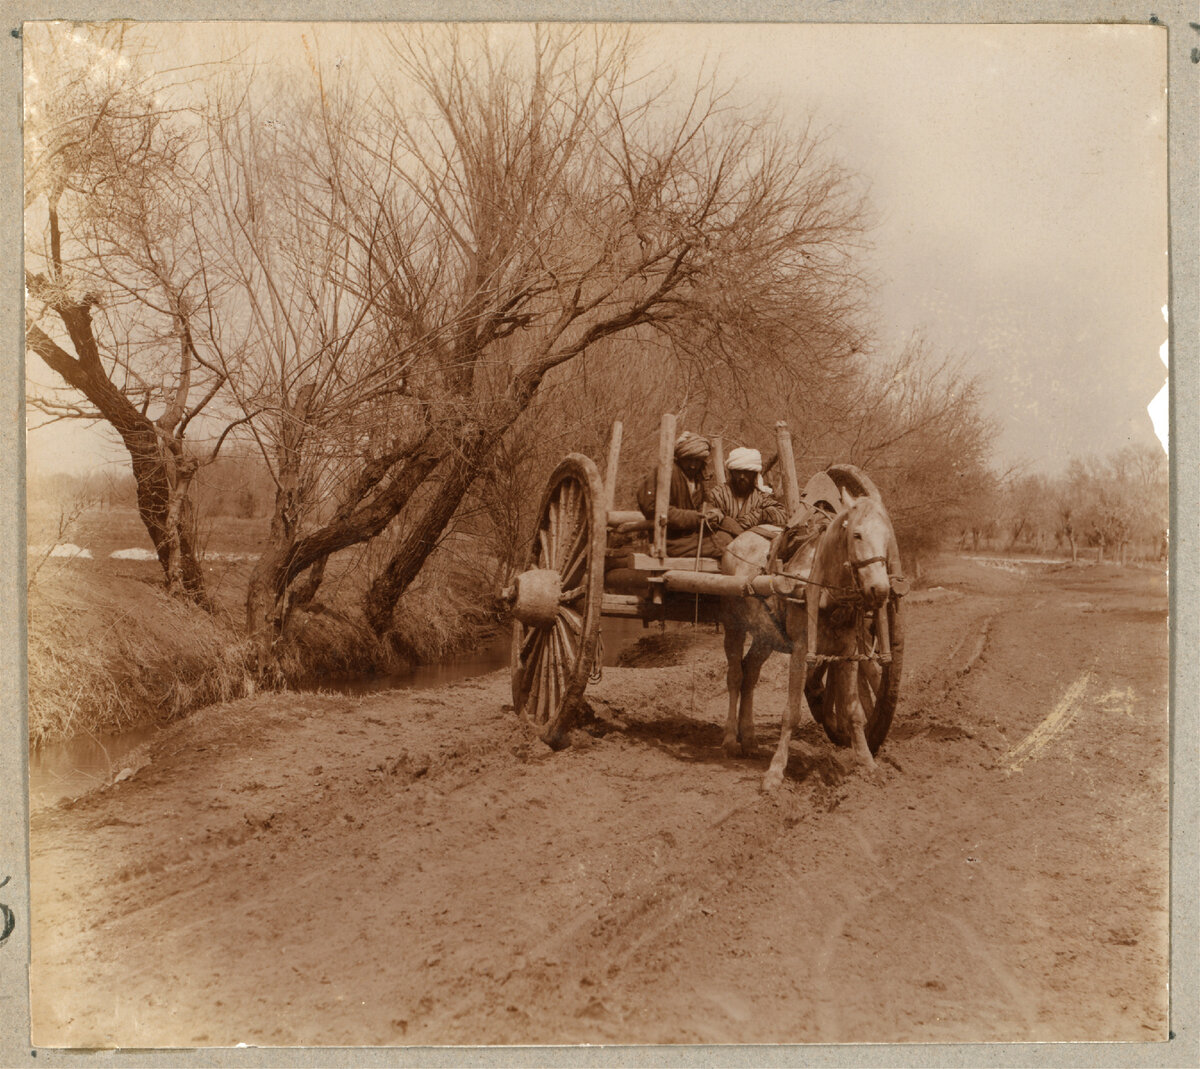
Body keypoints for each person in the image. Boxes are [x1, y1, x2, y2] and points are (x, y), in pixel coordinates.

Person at [636, 431, 727, 558]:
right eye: (688, 460)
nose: (692, 465)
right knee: (725, 544)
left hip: (693, 536)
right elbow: (652, 509)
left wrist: (712, 513)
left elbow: (705, 503)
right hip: (668, 540)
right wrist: (695, 518)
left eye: (697, 461)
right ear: (680, 458)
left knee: (730, 531)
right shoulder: (665, 472)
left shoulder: (699, 476)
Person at [706, 447, 788, 536]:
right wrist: (719, 518)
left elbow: (782, 514)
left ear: (754, 474)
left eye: (747, 472)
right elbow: (707, 512)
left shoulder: (760, 496)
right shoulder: (718, 494)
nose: (742, 476)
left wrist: (756, 516)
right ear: (732, 473)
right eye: (738, 472)